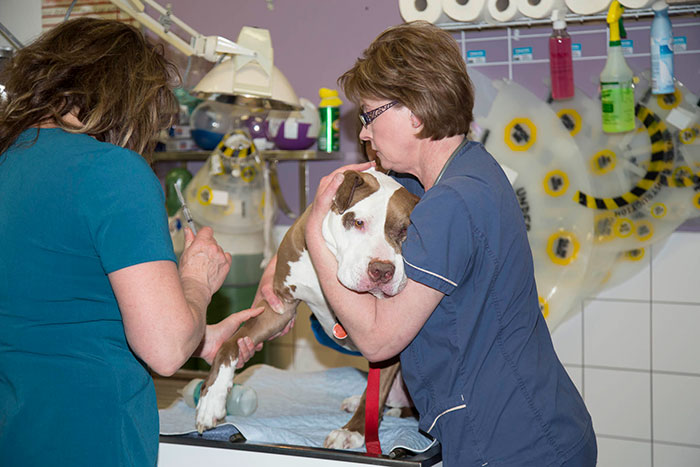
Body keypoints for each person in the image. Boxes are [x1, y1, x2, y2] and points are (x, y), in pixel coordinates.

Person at [302, 21, 597, 466]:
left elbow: (380, 340)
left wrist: (312, 234)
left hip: (520, 446)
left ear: (415, 112)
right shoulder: (467, 170)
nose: (363, 133)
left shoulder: (451, 202)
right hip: (537, 428)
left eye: (369, 115)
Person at [0, 18, 265, 467]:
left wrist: (197, 334)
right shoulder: (111, 172)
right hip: (90, 440)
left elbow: (57, 304)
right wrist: (197, 281)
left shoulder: (9, 161)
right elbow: (163, 349)